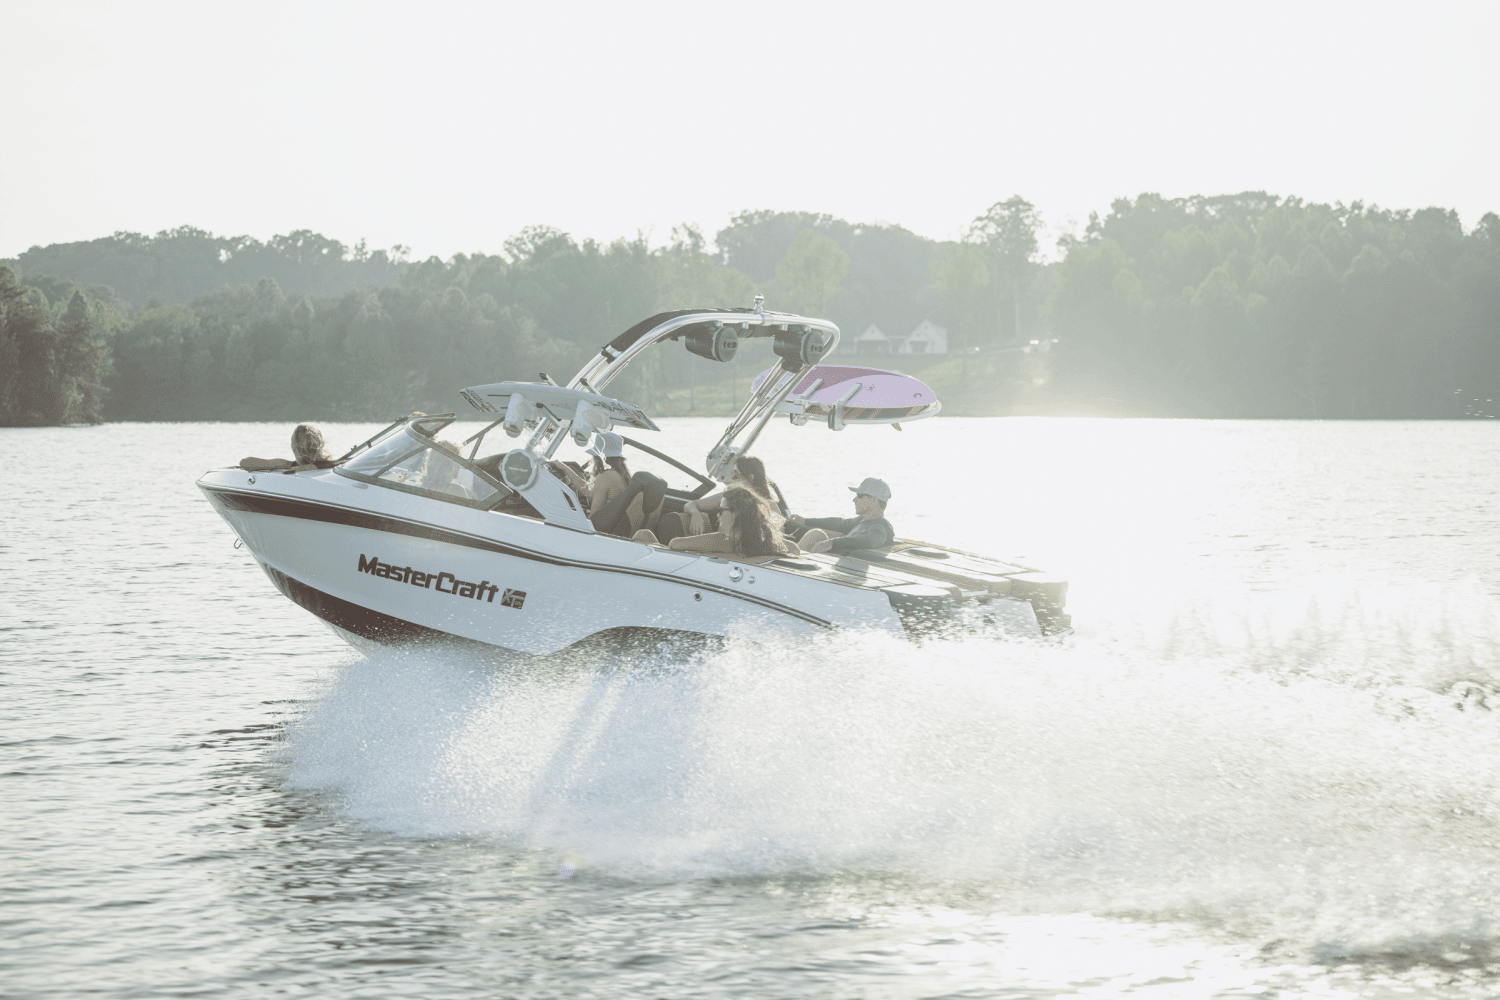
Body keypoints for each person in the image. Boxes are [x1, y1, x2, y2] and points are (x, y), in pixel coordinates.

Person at [553, 432, 667, 537]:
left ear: (599, 456)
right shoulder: (623, 475)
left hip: (604, 534)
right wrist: (566, 469)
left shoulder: (605, 477)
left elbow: (592, 519)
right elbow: (589, 491)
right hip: (620, 531)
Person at [635, 485, 796, 558]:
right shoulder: (766, 543)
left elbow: (674, 543)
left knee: (643, 534)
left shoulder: (723, 541)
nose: (717, 516)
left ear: (736, 514)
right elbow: (794, 548)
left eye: (721, 510)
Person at [788, 477, 895, 554]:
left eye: (859, 495)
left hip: (845, 564)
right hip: (838, 559)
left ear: (874, 500)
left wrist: (833, 543)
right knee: (816, 533)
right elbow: (838, 523)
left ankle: (789, 563)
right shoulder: (862, 521)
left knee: (816, 534)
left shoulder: (880, 526)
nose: (854, 500)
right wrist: (805, 521)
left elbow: (871, 540)